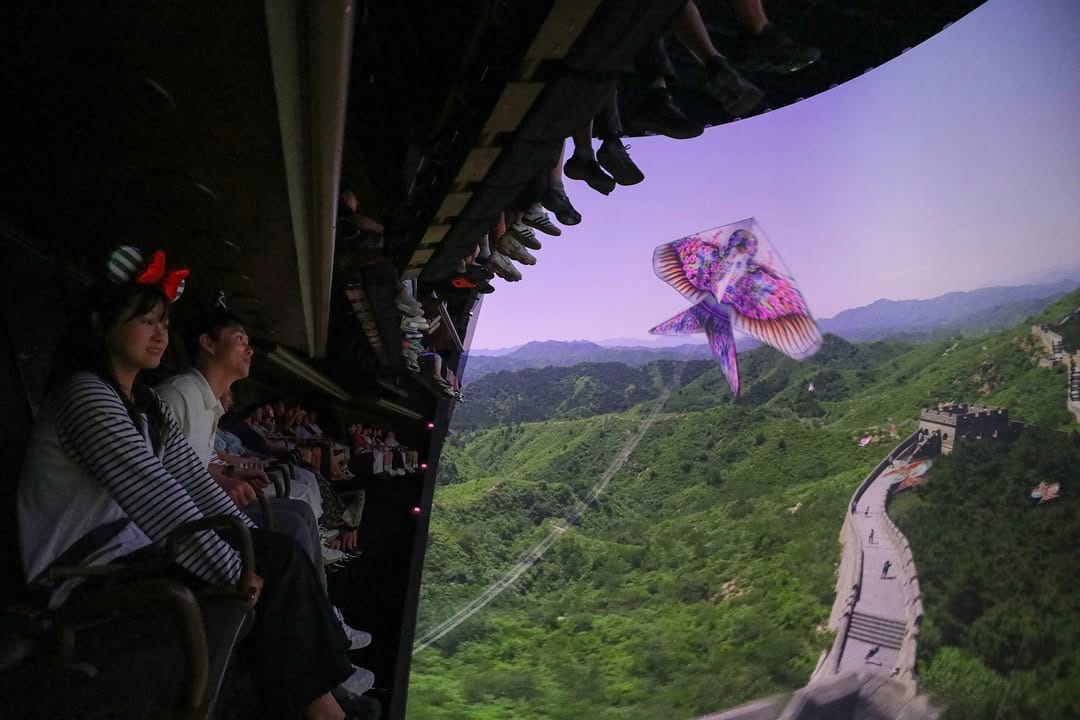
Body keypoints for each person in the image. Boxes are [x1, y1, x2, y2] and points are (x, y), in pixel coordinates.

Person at [16, 246, 365, 719]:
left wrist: (245, 540)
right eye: (145, 321)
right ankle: (328, 710)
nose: (160, 334)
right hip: (83, 575)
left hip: (131, 556)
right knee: (270, 563)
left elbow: (192, 483)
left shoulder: (144, 405)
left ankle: (327, 703)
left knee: (275, 554)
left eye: (163, 322)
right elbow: (155, 493)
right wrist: (233, 568)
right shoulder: (85, 395)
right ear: (101, 324)